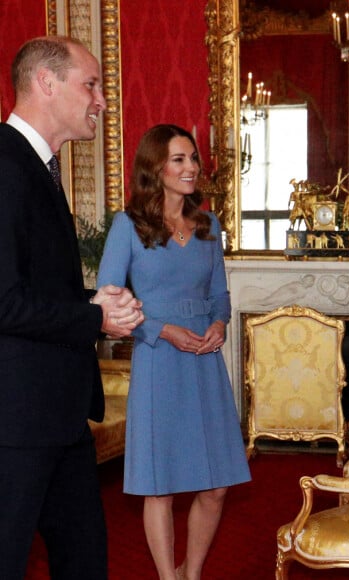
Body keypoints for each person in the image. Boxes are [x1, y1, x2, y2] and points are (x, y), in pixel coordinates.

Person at [0, 36, 144, 579]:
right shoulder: (5, 165)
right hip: (16, 420)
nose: (102, 100)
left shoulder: (40, 167)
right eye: (91, 84)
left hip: (57, 415)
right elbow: (4, 303)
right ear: (45, 82)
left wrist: (92, 299)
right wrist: (95, 318)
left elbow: (34, 287)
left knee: (85, 559)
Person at [96, 124, 251, 580]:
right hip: (158, 360)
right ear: (155, 167)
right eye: (178, 159)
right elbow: (108, 300)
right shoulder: (128, 225)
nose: (190, 168)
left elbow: (220, 295)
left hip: (205, 361)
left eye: (193, 159)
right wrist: (163, 331)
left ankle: (192, 571)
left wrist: (220, 324)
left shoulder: (208, 225)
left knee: (217, 484)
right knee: (159, 487)